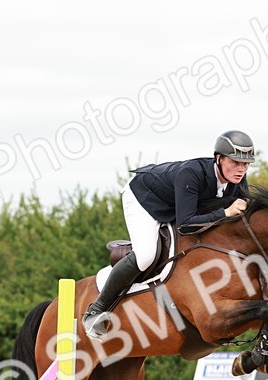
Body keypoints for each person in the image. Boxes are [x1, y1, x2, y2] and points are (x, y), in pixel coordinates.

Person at [82, 130, 257, 339]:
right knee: (146, 255)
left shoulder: (237, 181)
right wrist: (225, 213)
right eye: (235, 162)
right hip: (144, 199)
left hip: (177, 205)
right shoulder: (192, 173)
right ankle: (97, 310)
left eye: (245, 164)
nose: (241, 169)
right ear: (218, 158)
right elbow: (186, 224)